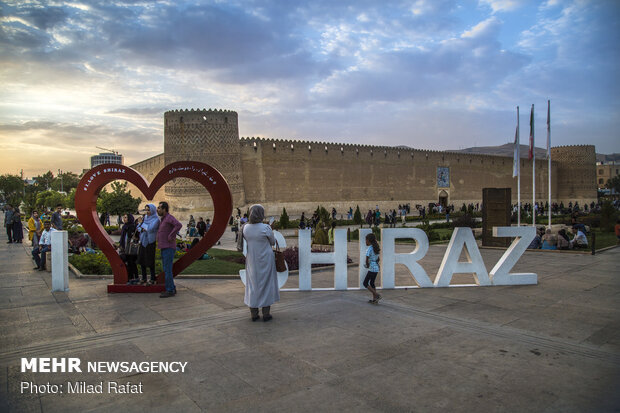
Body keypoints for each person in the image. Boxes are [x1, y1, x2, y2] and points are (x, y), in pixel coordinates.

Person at [241, 204, 279, 322]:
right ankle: (266, 314)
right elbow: (272, 242)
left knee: (253, 284)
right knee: (266, 284)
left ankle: (254, 314)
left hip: (252, 259)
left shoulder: (245, 228)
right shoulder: (265, 228)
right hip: (266, 259)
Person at [157, 201, 182, 298]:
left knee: (167, 270)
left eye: (159, 208)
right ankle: (171, 287)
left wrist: (171, 235)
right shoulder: (163, 219)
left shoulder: (169, 218)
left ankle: (170, 290)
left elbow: (178, 225)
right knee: (166, 269)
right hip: (164, 247)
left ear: (164, 209)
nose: (157, 210)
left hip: (168, 247)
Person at [137, 204, 159, 285]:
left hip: (150, 242)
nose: (147, 212)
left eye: (149, 210)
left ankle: (152, 278)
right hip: (143, 241)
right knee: (142, 260)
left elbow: (150, 229)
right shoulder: (145, 218)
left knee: (150, 261)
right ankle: (144, 278)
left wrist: (142, 225)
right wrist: (142, 226)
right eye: (146, 210)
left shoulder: (156, 220)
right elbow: (139, 228)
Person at [119, 214, 139, 284]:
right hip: (125, 248)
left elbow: (135, 237)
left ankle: (135, 278)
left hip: (131, 248)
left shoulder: (132, 227)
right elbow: (122, 238)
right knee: (128, 263)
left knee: (132, 263)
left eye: (126, 217)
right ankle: (130, 278)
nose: (124, 219)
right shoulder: (124, 227)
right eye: (123, 217)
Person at [364, 233, 382, 304]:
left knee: (365, 283)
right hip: (376, 268)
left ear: (368, 240)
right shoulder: (376, 248)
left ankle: (377, 295)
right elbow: (378, 259)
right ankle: (374, 299)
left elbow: (366, 259)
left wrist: (368, 265)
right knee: (372, 283)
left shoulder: (369, 249)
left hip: (371, 268)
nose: (365, 241)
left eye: (366, 240)